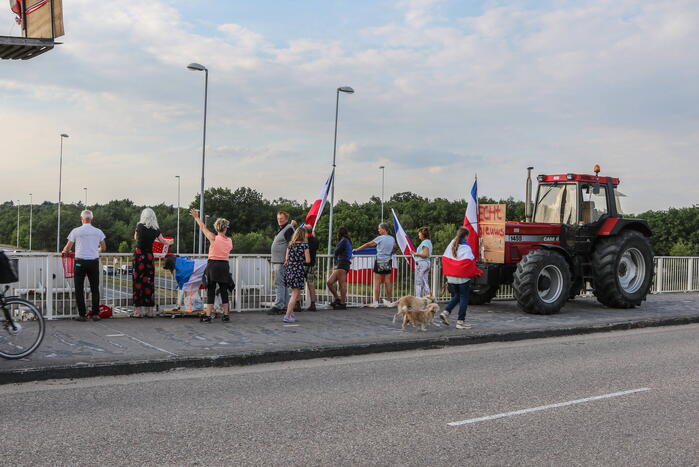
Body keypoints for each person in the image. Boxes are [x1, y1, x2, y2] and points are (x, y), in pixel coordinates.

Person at [61, 210, 106, 321]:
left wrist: (65, 251)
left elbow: (67, 248)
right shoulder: (98, 232)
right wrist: (96, 250)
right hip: (93, 262)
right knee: (95, 288)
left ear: (81, 218)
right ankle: (95, 314)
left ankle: (82, 315)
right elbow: (103, 248)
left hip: (80, 262)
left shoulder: (76, 231)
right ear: (91, 219)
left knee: (79, 289)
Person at [191, 209, 233, 323]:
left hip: (213, 265)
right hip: (224, 265)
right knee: (224, 291)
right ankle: (226, 315)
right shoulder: (229, 241)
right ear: (225, 228)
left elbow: (203, 227)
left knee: (211, 290)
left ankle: (208, 315)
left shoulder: (213, 238)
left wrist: (196, 217)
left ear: (216, 227)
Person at [131, 208, 174, 318]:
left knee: (138, 283)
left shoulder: (139, 226)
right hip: (149, 257)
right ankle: (150, 311)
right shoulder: (155, 229)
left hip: (139, 256)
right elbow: (163, 241)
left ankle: (137, 311)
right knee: (149, 283)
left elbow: (136, 238)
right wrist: (170, 241)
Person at [439, 227, 481, 330]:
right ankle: (460, 321)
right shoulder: (466, 247)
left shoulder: (452, 243)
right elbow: (470, 263)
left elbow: (444, 258)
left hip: (451, 277)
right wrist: (477, 272)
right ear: (466, 236)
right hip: (462, 278)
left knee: (458, 295)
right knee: (464, 298)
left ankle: (446, 312)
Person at [353, 223, 396, 307]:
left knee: (377, 282)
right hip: (388, 260)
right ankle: (389, 301)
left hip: (380, 260)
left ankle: (375, 302)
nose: (378, 230)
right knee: (388, 281)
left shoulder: (380, 238)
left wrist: (357, 249)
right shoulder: (392, 238)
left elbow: (368, 244)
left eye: (379, 228)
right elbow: (394, 248)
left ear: (383, 229)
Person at [268, 211, 295, 315]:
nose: (279, 220)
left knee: (279, 283)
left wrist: (287, 258)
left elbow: (290, 244)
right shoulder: (284, 229)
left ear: (286, 219)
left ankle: (279, 305)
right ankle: (284, 305)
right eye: (278, 218)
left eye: (282, 218)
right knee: (283, 284)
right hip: (280, 261)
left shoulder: (288, 229)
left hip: (281, 261)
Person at [282, 228, 310, 323]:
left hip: (290, 270)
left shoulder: (290, 245)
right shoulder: (304, 246)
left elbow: (286, 259)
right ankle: (287, 315)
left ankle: (291, 314)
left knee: (294, 294)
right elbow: (308, 260)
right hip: (298, 271)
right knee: (295, 295)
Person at [327, 227, 352, 309]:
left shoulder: (343, 241)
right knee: (329, 282)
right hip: (344, 263)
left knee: (341, 284)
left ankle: (342, 303)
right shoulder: (347, 240)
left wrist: (334, 255)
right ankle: (338, 298)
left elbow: (337, 251)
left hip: (342, 263)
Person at [412, 227, 433, 297]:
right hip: (426, 263)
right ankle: (429, 297)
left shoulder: (425, 242)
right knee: (424, 282)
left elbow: (425, 254)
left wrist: (416, 254)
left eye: (419, 233)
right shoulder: (428, 242)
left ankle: (418, 299)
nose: (418, 235)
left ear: (422, 234)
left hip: (422, 263)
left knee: (419, 283)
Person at [303, 225, 319, 311]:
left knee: (298, 285)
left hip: (303, 264)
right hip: (312, 264)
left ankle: (297, 304)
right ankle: (313, 304)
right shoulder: (315, 240)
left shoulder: (303, 240)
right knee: (311, 284)